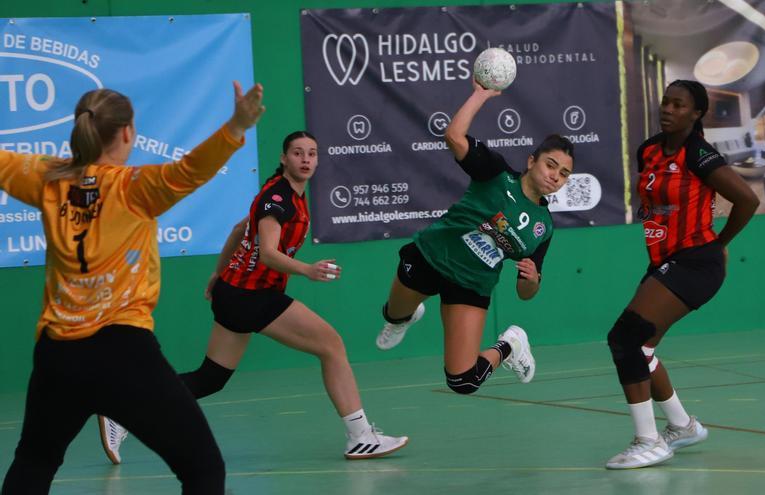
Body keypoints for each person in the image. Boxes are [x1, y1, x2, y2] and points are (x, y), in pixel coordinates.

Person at [0, 81, 264, 494]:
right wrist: (236, 125)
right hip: (122, 352)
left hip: (57, 355)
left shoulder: (47, 180)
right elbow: (192, 169)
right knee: (203, 469)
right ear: (126, 132)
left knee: (34, 461)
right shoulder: (134, 188)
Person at [99, 131, 408, 464]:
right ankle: (360, 437)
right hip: (252, 296)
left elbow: (237, 231)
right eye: (298, 153)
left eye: (312, 154)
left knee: (210, 378)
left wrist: (219, 273)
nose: (305, 159)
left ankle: (123, 408)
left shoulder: (285, 195)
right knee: (331, 346)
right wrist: (306, 269)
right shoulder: (278, 199)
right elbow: (267, 254)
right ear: (283, 158)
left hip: (234, 294)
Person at [375, 79, 574, 398]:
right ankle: (404, 316)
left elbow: (526, 292)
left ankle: (510, 346)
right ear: (531, 161)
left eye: (563, 174)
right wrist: (480, 95)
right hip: (430, 256)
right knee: (393, 313)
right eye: (551, 165)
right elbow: (453, 136)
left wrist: (533, 279)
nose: (555, 176)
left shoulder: (543, 227)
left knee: (463, 381)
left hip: (470, 285)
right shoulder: (495, 173)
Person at [604, 80, 759, 469]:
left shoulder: (699, 154)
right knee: (642, 349)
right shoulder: (649, 150)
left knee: (625, 337)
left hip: (696, 263)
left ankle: (648, 440)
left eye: (679, 105)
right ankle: (682, 426)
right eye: (665, 102)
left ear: (696, 114)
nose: (668, 109)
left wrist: (720, 241)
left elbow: (748, 198)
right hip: (665, 261)